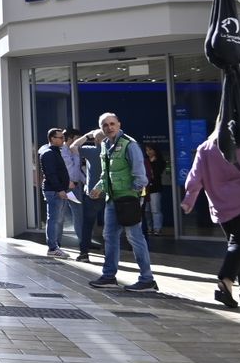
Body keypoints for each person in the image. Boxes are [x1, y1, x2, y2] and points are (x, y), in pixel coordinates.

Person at [181, 131, 240, 308]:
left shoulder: (205, 148)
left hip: (221, 204)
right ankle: (225, 281)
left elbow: (194, 179)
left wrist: (189, 201)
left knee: (237, 245)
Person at [75, 113, 154, 291]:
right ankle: (109, 276)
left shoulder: (129, 144)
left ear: (119, 124)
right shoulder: (104, 145)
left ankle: (147, 279)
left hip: (128, 199)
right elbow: (107, 174)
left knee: (135, 238)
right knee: (109, 237)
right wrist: (98, 187)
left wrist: (133, 196)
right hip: (111, 200)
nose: (109, 127)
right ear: (101, 128)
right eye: (105, 125)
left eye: (112, 124)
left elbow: (140, 176)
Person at [38, 129, 71, 258]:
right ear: (52, 138)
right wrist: (59, 189)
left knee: (57, 219)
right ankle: (52, 247)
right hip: (54, 191)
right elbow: (51, 174)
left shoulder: (55, 152)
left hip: (58, 190)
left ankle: (55, 246)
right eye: (61, 137)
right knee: (54, 219)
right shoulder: (48, 154)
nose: (63, 139)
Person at [60, 127, 91, 261]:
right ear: (72, 138)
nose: (81, 142)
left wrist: (85, 182)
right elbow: (63, 169)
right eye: (78, 139)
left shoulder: (75, 151)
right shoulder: (61, 151)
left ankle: (83, 243)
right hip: (65, 187)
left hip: (76, 187)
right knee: (59, 215)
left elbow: (78, 170)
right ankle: (55, 244)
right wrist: (67, 183)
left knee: (79, 215)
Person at [143, 144, 169, 236]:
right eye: (147, 150)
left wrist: (152, 165)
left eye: (150, 149)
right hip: (145, 189)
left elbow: (157, 173)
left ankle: (157, 229)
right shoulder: (144, 161)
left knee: (155, 210)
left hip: (155, 188)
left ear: (155, 150)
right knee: (146, 211)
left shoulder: (160, 161)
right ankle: (149, 228)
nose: (148, 152)